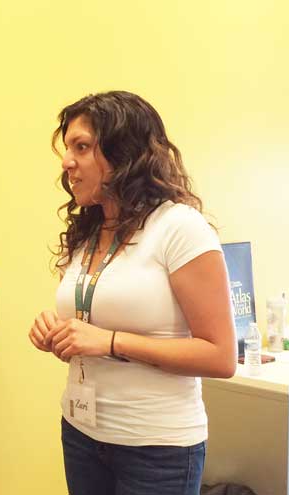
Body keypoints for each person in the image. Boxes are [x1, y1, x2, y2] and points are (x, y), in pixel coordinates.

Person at [28, 91, 236, 495]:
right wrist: (58, 333)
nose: (67, 161)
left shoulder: (179, 227)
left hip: (156, 450)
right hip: (81, 434)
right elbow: (91, 327)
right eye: (68, 148)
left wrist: (109, 342)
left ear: (125, 154)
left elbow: (221, 355)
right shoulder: (87, 231)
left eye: (82, 147)